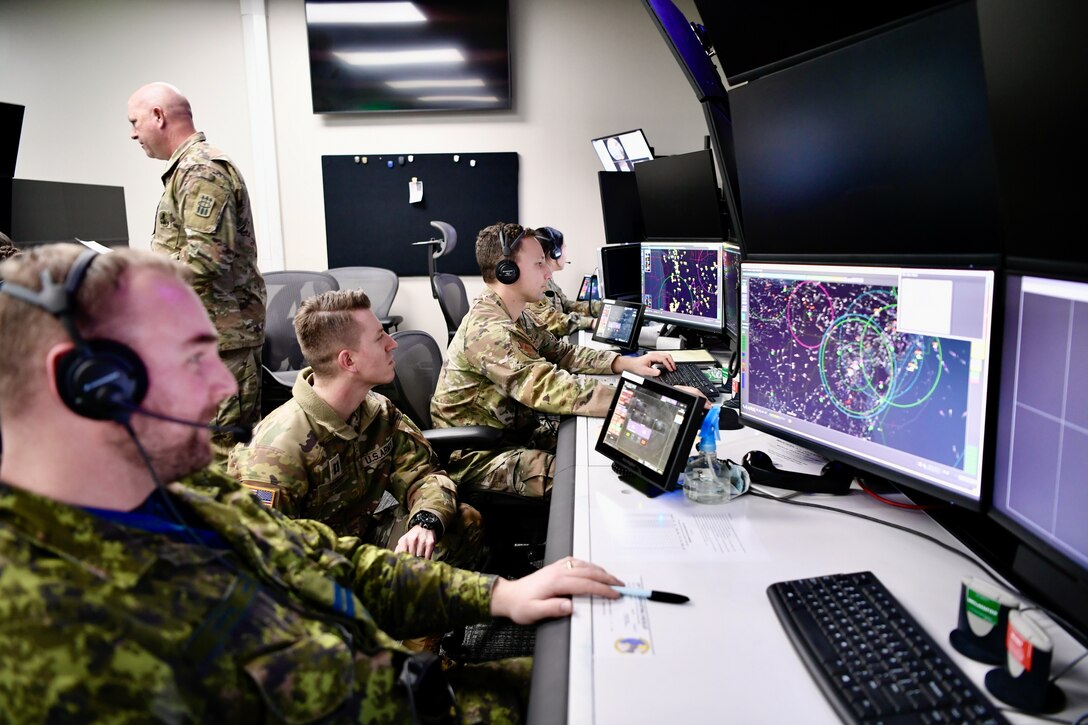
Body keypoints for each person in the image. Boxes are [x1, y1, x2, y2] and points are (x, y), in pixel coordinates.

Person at [0, 243, 622, 721]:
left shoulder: (188, 492)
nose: (222, 389)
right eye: (194, 360)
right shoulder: (42, 637)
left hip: (400, 684)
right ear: (91, 385)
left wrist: (496, 596)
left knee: (602, 677)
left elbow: (328, 561)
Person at [430, 222, 701, 498]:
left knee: (616, 444)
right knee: (584, 478)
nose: (548, 272)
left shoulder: (514, 313)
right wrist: (655, 401)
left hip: (514, 430)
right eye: (538, 264)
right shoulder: (490, 331)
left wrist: (625, 363)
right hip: (477, 456)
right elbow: (548, 387)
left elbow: (562, 352)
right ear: (506, 272)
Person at [228, 288, 484, 569]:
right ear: (348, 360)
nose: (392, 343)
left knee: (459, 523)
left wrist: (425, 521)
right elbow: (265, 564)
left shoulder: (376, 410)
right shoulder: (275, 452)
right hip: (311, 569)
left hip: (359, 540)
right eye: (379, 338)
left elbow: (424, 475)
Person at [127, 81, 265, 461]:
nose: (133, 133)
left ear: (159, 116)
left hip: (221, 342)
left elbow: (205, 260)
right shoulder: (188, 169)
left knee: (223, 459)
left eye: (136, 121)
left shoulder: (200, 170)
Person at [524, 225, 601, 337]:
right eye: (564, 248)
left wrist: (601, 307)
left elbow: (566, 305)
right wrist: (591, 322)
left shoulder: (548, 280)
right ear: (555, 253)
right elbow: (549, 320)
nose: (566, 254)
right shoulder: (535, 282)